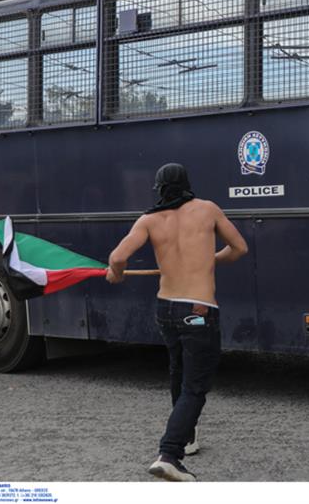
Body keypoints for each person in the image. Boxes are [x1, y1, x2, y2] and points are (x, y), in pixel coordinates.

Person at [106, 162, 248, 482]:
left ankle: (188, 437)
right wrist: (209, 259)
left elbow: (117, 258)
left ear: (159, 190)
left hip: (167, 311)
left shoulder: (149, 220)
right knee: (196, 385)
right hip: (197, 313)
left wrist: (115, 274)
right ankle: (170, 453)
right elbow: (239, 247)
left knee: (179, 368)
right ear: (187, 185)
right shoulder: (208, 209)